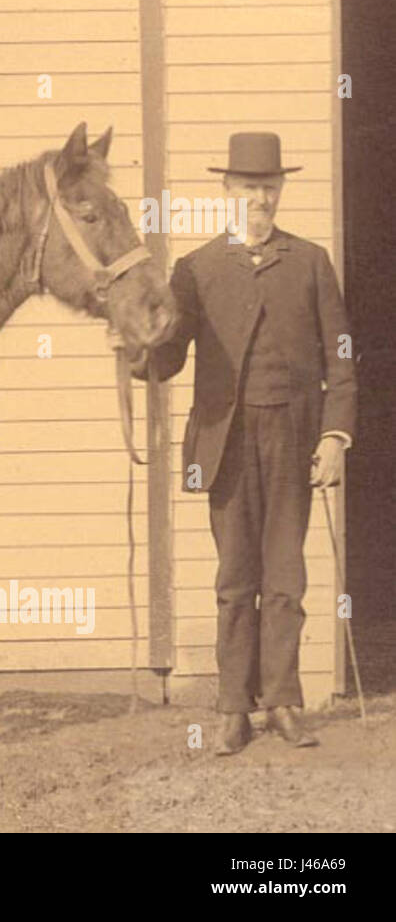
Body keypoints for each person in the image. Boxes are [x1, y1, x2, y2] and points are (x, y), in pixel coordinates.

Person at [125, 132, 357, 755]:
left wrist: (335, 435)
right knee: (235, 577)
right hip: (225, 443)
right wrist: (138, 345)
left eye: (269, 186)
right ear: (226, 192)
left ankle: (282, 702)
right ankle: (233, 708)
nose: (260, 198)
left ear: (280, 190)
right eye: (248, 187)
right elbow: (170, 355)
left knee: (285, 573)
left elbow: (341, 358)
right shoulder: (196, 270)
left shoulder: (310, 262)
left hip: (293, 437)